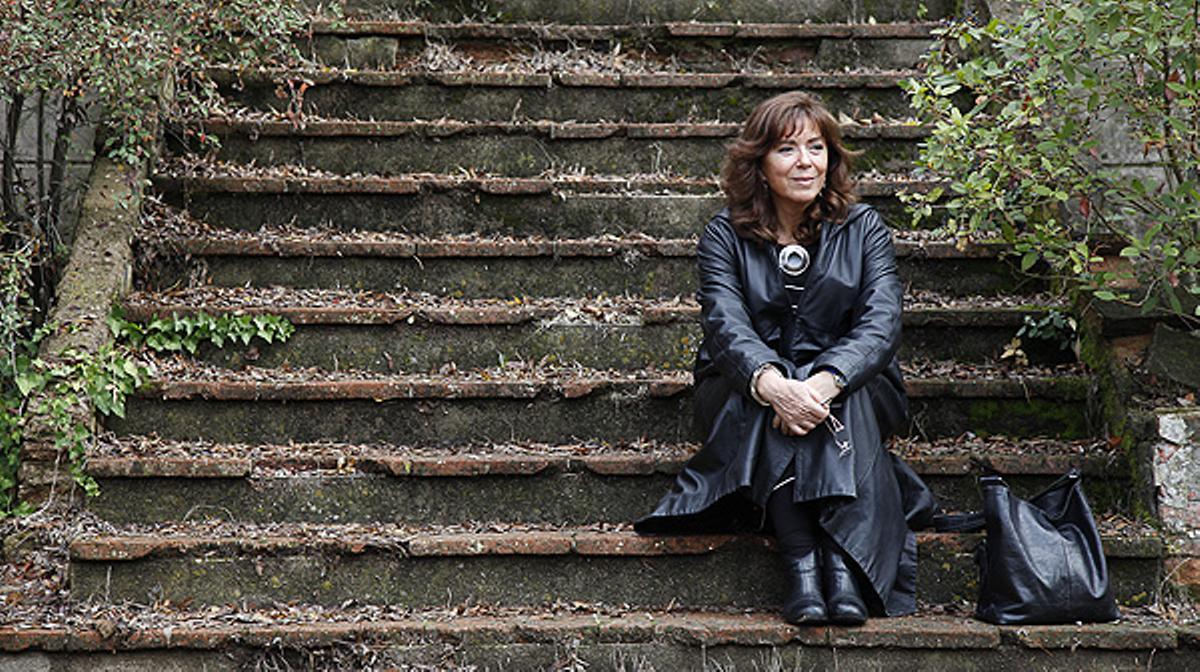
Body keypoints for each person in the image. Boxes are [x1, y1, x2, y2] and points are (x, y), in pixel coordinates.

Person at [634, 91, 936, 626]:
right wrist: (774, 385)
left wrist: (824, 382)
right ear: (759, 163)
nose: (805, 162)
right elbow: (725, 324)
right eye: (787, 150)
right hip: (741, 390)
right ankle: (804, 564)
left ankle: (840, 569)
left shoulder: (864, 227)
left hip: (857, 388)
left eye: (816, 148)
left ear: (832, 157)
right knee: (777, 386)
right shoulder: (723, 234)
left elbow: (881, 323)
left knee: (831, 388)